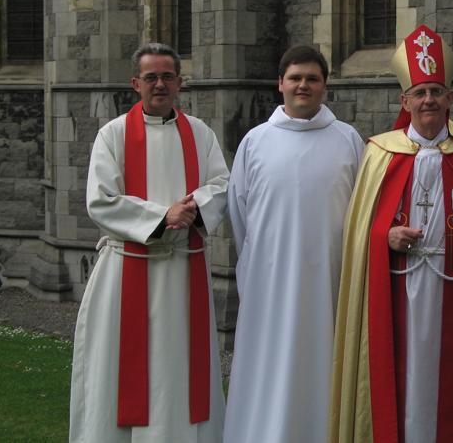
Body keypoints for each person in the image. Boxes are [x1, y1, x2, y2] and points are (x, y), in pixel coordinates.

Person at [329, 25, 453, 443]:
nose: (428, 99)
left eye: (436, 90)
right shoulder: (380, 152)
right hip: (401, 294)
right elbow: (361, 232)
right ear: (405, 100)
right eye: (420, 92)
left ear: (451, 98)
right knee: (406, 383)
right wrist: (386, 238)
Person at [70, 42, 229, 443]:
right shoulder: (114, 135)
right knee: (120, 369)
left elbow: (223, 185)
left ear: (180, 82)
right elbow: (101, 200)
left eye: (168, 76)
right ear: (135, 83)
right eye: (151, 77)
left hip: (182, 270)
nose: (160, 84)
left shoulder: (200, 133)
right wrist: (162, 217)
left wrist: (193, 207)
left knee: (179, 368)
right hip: (126, 272)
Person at [223, 46, 364, 442]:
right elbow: (240, 212)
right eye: (295, 77)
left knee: (324, 366)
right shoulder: (255, 141)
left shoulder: (348, 140)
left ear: (325, 86)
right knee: (269, 368)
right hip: (270, 283)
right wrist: (262, 263)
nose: (303, 85)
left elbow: (362, 210)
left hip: (330, 281)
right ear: (280, 83)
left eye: (312, 78)